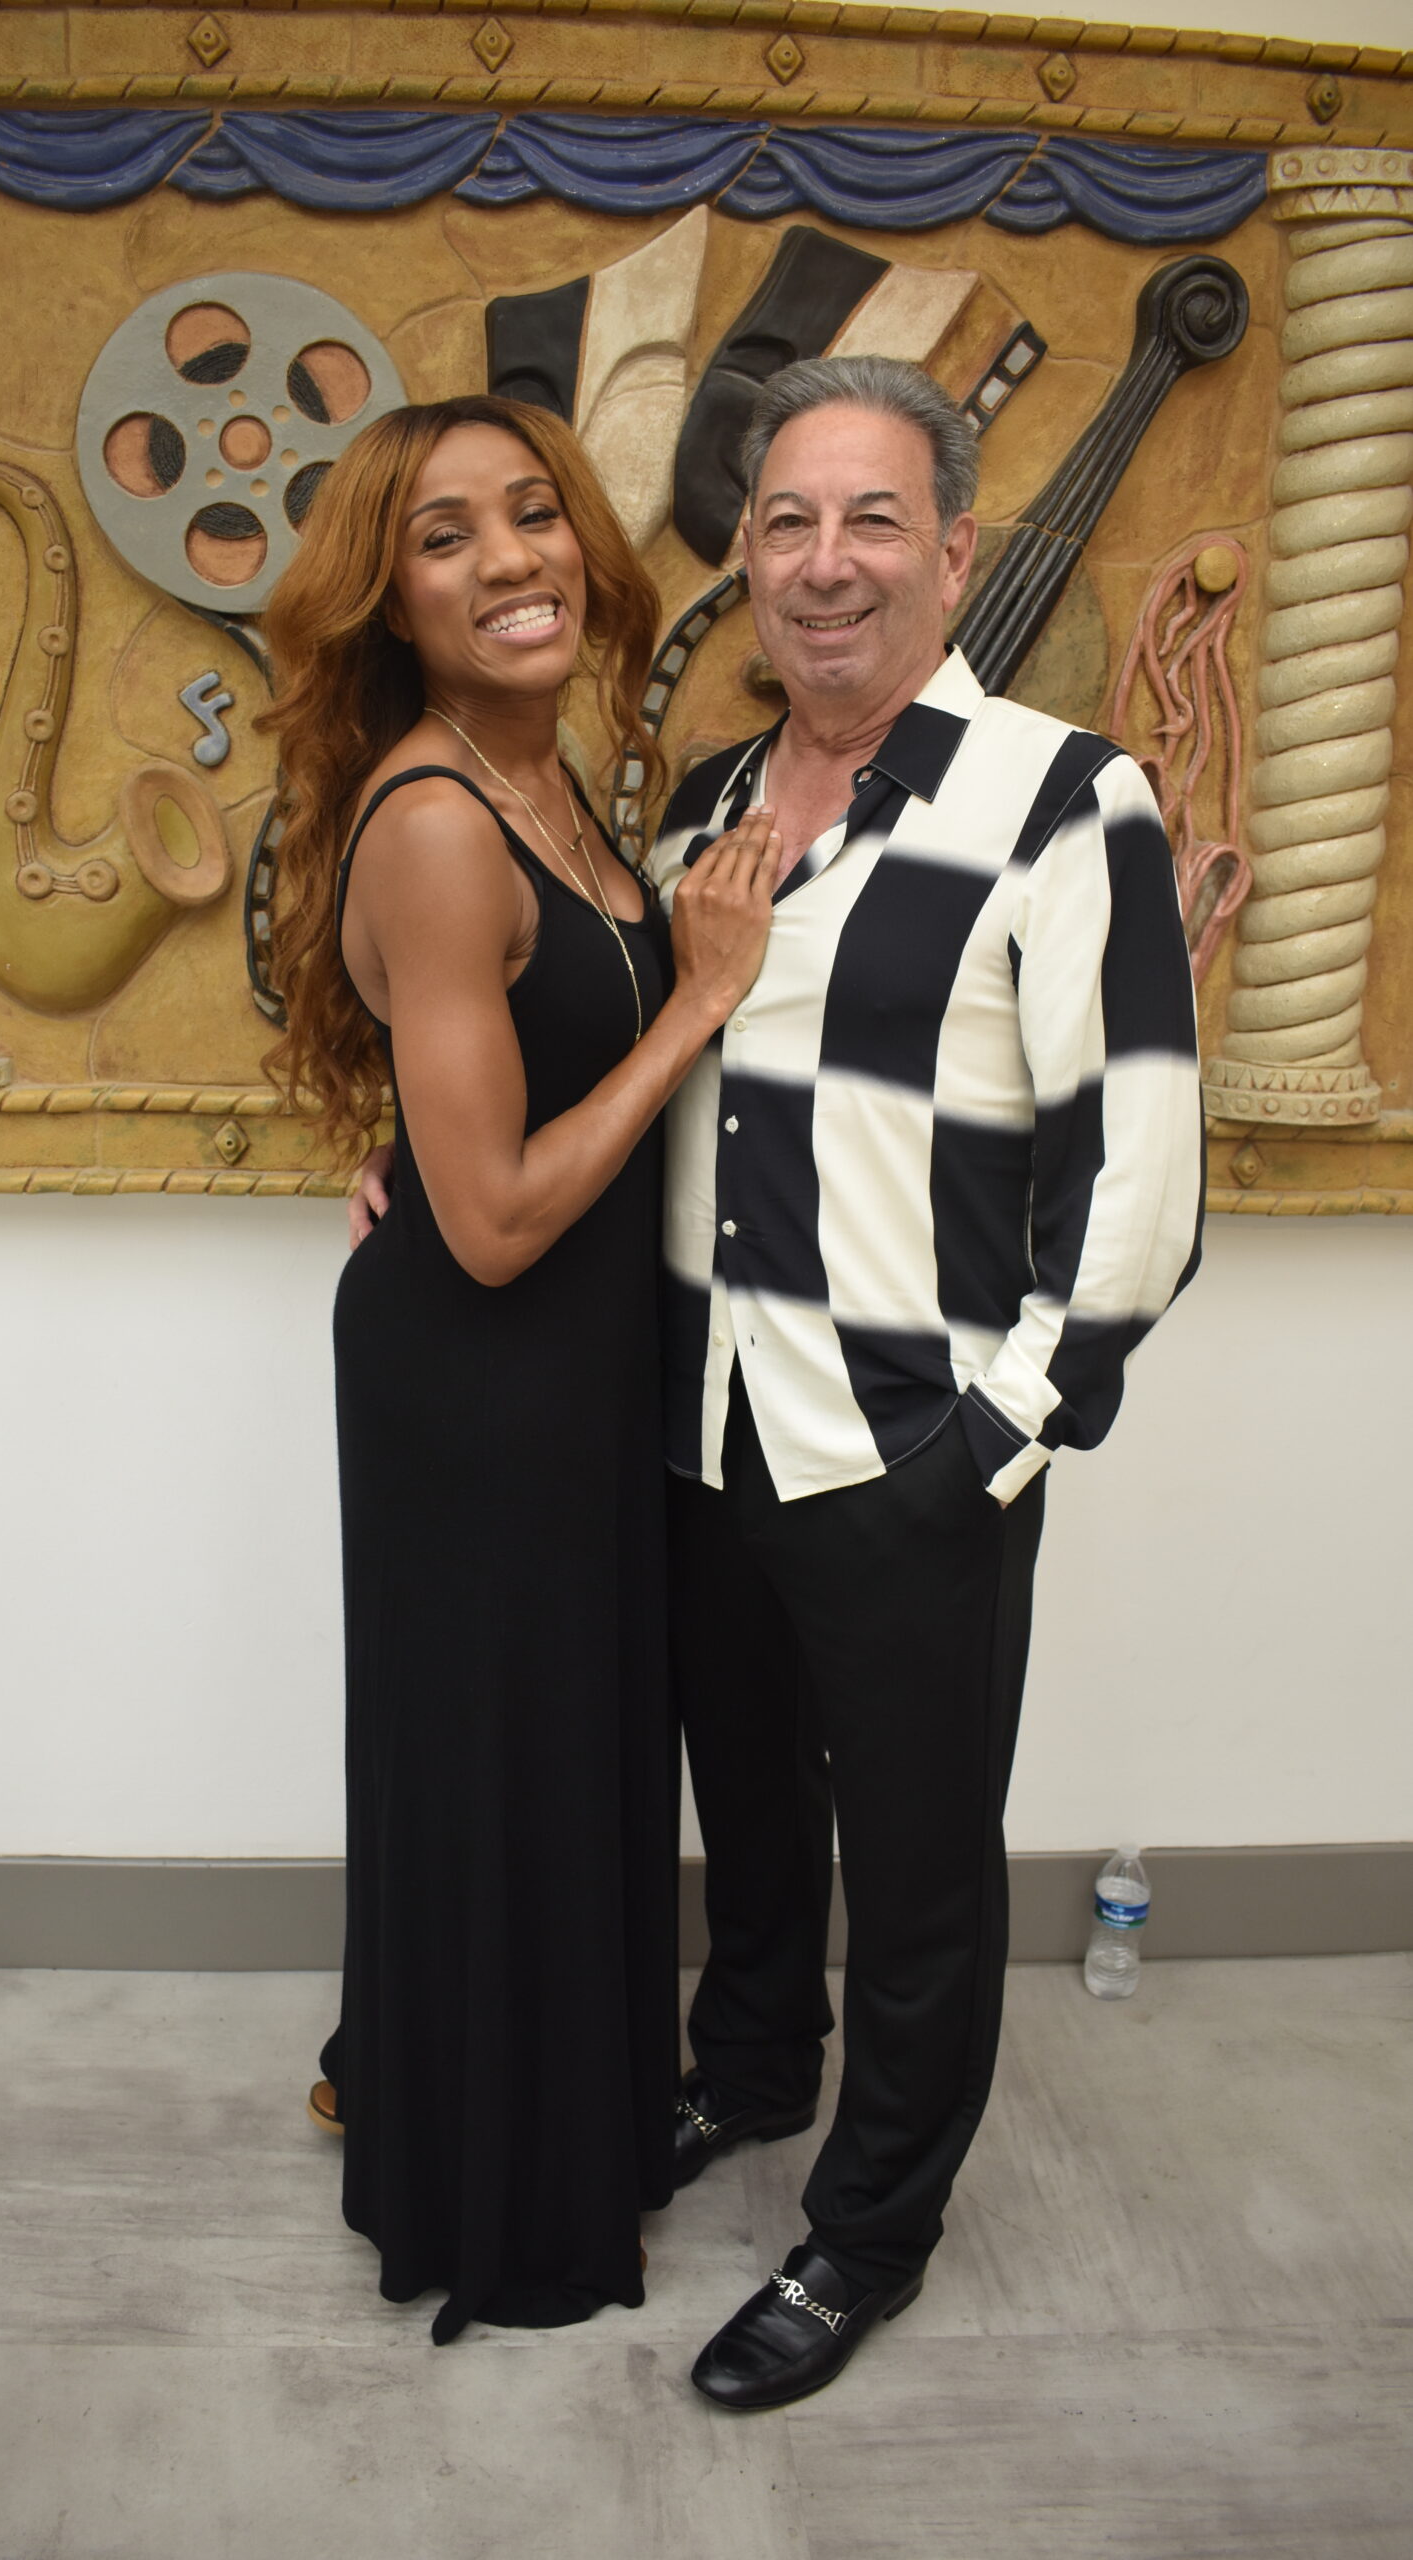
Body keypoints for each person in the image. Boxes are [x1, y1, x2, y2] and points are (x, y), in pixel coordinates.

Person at [648, 354, 1204, 2411]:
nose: (824, 562)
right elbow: (635, 1088)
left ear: (952, 553)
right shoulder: (704, 807)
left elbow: (1138, 1159)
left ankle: (866, 2225)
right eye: (787, 522)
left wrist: (999, 1435)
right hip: (711, 1430)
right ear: (743, 559)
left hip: (907, 1450)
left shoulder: (1064, 797)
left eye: (871, 519)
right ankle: (744, 2074)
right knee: (748, 1819)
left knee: (917, 1853)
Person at [262, 393, 778, 2342]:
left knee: (558, 1760)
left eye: (534, 513)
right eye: (447, 535)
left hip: (563, 1363)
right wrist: (700, 1002)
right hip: (474, 1369)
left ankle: (446, 2075)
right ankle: (484, 2173)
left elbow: (497, 1079)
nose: (511, 558)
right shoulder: (430, 817)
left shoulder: (554, 780)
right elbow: (483, 1218)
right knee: (495, 1765)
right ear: (388, 600)